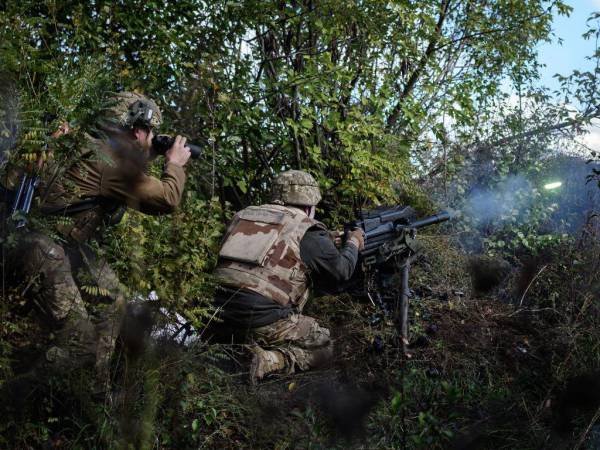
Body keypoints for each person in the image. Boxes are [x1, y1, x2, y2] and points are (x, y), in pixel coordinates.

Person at [4, 92, 191, 394]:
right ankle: (19, 400)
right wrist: (176, 164)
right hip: (44, 250)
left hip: (44, 240)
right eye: (151, 132)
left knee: (112, 299)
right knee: (82, 345)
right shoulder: (112, 164)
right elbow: (167, 200)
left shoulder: (80, 142)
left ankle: (94, 389)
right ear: (138, 130)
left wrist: (147, 152)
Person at [212, 170, 365, 383]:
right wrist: (354, 242)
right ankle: (269, 360)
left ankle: (229, 344)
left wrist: (328, 239)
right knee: (328, 345)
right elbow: (341, 271)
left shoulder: (244, 215)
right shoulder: (306, 229)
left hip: (215, 314)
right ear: (310, 205)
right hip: (259, 319)